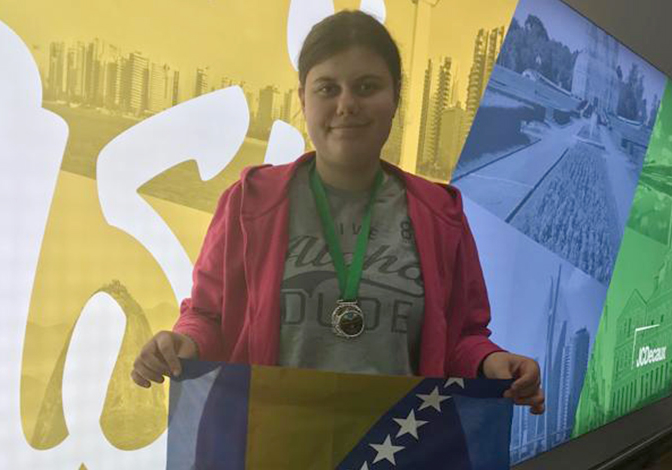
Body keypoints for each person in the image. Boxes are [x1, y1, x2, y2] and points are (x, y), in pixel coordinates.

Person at [131, 10, 544, 415]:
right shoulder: (248, 204)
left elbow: (462, 336)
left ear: (395, 98)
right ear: (303, 99)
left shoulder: (440, 214)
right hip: (272, 440)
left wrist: (490, 361)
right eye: (328, 88)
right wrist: (184, 342)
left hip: (396, 442)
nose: (347, 104)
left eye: (366, 87)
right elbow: (208, 316)